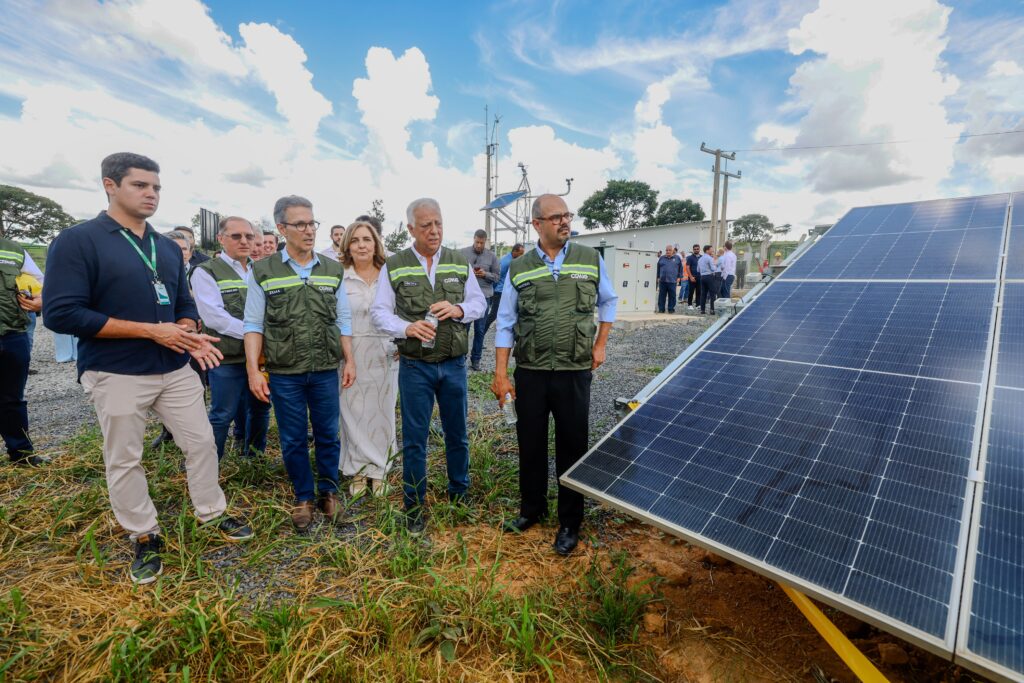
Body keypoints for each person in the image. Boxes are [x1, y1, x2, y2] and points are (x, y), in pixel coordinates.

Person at [42, 152, 252, 585]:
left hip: (175, 368)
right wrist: (151, 331)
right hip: (116, 371)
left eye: (156, 187)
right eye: (140, 185)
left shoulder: (164, 247)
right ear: (110, 185)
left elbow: (184, 302)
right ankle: (144, 533)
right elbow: (61, 314)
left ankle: (212, 512)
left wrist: (186, 329)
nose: (151, 194)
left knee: (201, 443)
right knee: (125, 457)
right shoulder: (78, 241)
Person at [491, 194, 617, 557]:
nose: (565, 221)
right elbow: (505, 322)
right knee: (530, 443)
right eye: (556, 217)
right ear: (537, 224)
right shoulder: (519, 267)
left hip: (574, 370)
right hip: (530, 371)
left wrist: (600, 343)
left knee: (572, 445)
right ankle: (531, 510)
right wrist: (501, 374)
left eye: (567, 215)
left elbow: (607, 300)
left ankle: (569, 522)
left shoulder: (590, 259)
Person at [370, 198, 486, 534]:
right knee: (415, 438)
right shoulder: (395, 265)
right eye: (425, 226)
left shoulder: (457, 261)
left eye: (438, 223)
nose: (434, 231)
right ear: (410, 229)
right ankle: (413, 506)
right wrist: (406, 328)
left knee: (457, 434)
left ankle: (459, 494)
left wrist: (460, 309)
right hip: (415, 367)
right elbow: (380, 313)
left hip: (453, 365)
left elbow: (478, 301)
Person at [244, 195, 355, 532]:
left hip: (323, 369)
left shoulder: (332, 269)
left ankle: (329, 493)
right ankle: (304, 496)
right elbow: (253, 324)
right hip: (285, 372)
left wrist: (349, 360)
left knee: (328, 434)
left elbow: (344, 320)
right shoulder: (263, 271)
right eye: (301, 224)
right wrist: (253, 369)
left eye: (312, 223)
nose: (309, 231)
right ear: (282, 228)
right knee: (292, 437)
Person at [190, 216, 270, 460]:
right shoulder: (206, 272)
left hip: (259, 357)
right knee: (222, 413)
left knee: (260, 408)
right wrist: (257, 334)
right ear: (221, 239)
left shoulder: (260, 271)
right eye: (236, 236)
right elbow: (215, 318)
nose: (244, 241)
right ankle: (211, 465)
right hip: (227, 357)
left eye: (249, 236)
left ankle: (254, 457)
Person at [338, 220, 398, 497]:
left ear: (376, 244)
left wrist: (402, 340)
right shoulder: (340, 275)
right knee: (353, 412)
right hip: (351, 351)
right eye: (356, 240)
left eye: (367, 239)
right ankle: (358, 470)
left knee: (383, 411)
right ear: (348, 246)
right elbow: (337, 319)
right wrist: (347, 355)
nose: (362, 245)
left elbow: (402, 312)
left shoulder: (390, 273)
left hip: (385, 351)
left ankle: (380, 469)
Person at [1, 237, 45, 466]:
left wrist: (40, 300)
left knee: (13, 398)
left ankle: (21, 454)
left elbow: (42, 281)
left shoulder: (14, 250)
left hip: (12, 333)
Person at [460, 229, 500, 371]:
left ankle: (476, 359)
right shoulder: (462, 253)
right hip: (467, 297)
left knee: (480, 329)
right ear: (474, 239)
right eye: (477, 242)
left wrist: (485, 274)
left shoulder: (492, 257)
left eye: (481, 243)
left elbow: (497, 277)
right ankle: (461, 357)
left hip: (484, 297)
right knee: (464, 328)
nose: (478, 245)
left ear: (485, 242)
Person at [485, 242, 523, 331]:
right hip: (499, 292)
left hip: (505, 292)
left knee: (510, 313)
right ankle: (481, 335)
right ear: (515, 252)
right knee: (493, 315)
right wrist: (494, 292)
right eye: (521, 254)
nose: (522, 256)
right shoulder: (506, 262)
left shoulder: (512, 260)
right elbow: (497, 277)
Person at [656, 244, 682, 314]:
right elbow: (658, 268)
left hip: (672, 280)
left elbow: (680, 269)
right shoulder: (662, 258)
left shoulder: (677, 258)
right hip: (663, 280)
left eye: (669, 250)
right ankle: (661, 309)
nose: (668, 251)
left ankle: (671, 309)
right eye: (667, 250)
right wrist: (658, 277)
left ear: (673, 251)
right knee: (661, 295)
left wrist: (679, 277)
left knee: (672, 295)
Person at [698, 245, 720, 314]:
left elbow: (698, 270)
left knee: (703, 294)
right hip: (709, 276)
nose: (712, 250)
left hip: (702, 277)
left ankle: (702, 310)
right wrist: (716, 266)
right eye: (711, 249)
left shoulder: (700, 259)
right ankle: (712, 310)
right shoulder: (709, 258)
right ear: (707, 250)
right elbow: (713, 269)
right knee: (712, 294)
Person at [684, 244, 701, 310]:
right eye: (695, 249)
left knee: (699, 291)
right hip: (692, 277)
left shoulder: (701, 257)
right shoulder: (690, 258)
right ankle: (689, 304)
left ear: (699, 249)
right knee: (691, 291)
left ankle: (698, 304)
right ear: (693, 250)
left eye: (697, 249)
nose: (696, 250)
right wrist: (691, 277)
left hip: (699, 277)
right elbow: (687, 267)